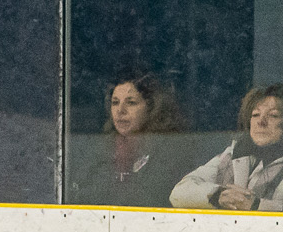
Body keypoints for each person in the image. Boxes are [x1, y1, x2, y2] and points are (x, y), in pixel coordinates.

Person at [69, 73, 186, 208]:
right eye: (115, 102)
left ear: (151, 107)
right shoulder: (99, 151)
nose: (120, 110)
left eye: (131, 103)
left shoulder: (169, 151)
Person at [170, 84, 283, 212]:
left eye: (273, 115)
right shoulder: (233, 154)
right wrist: (219, 196)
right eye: (255, 114)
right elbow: (179, 191)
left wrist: (256, 205)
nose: (261, 122)